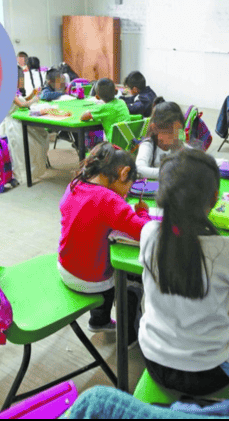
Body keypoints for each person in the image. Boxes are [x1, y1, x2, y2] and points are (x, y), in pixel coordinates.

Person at [138, 148, 229, 396]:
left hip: (153, 360)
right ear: (215, 198)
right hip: (206, 376)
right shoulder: (228, 250)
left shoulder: (149, 233)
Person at [58, 142, 150, 336]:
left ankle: (98, 319)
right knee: (120, 278)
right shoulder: (109, 200)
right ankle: (100, 321)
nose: (125, 194)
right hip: (90, 279)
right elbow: (144, 232)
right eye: (127, 188)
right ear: (124, 173)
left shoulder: (75, 183)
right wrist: (142, 213)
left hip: (64, 266)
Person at [135, 98, 186, 179]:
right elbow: (139, 169)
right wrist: (171, 173)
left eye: (179, 131)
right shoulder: (148, 145)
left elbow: (189, 150)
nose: (176, 136)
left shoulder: (178, 142)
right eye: (170, 132)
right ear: (154, 128)